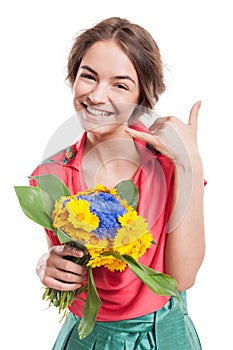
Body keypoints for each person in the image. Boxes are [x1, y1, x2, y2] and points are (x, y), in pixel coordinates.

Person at [31, 17, 205, 349]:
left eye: (120, 85)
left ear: (143, 95)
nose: (97, 96)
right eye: (88, 76)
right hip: (87, 337)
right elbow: (68, 269)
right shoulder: (51, 174)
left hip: (166, 335)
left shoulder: (167, 162)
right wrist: (48, 263)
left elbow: (183, 278)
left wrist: (190, 162)